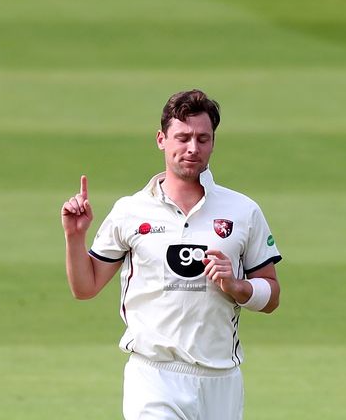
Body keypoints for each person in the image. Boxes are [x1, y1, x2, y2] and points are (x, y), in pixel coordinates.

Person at [61, 89, 282, 419]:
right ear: (161, 139)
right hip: (154, 376)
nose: (193, 148)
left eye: (203, 139)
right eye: (183, 138)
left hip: (220, 379)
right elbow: (85, 287)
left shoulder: (243, 211)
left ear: (213, 142)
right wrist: (74, 238)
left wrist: (237, 286)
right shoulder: (131, 211)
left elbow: (272, 294)